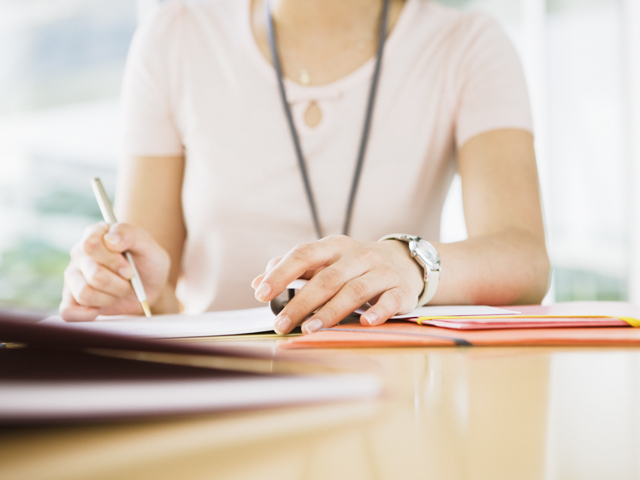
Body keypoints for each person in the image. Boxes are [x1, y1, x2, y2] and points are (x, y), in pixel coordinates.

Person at [59, 0, 550, 335]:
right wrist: (128, 294)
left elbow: (523, 260)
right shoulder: (176, 36)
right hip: (217, 379)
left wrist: (412, 262)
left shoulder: (466, 43)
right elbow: (157, 295)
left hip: (395, 375)